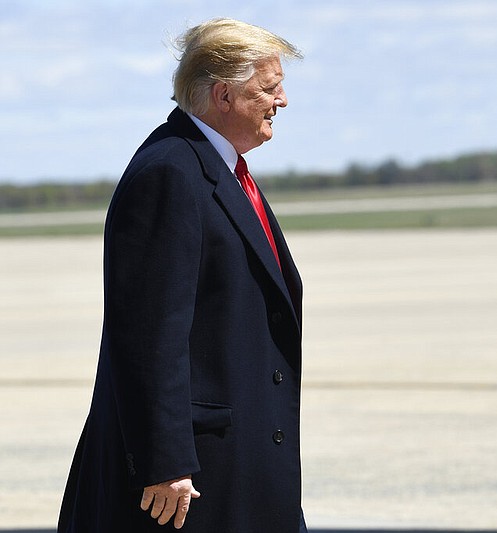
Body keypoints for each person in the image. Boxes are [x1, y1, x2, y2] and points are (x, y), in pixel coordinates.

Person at [58, 18, 306, 532]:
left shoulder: (217, 168)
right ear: (223, 96)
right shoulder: (170, 172)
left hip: (238, 465)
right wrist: (164, 461)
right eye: (269, 88)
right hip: (187, 485)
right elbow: (147, 335)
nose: (282, 101)